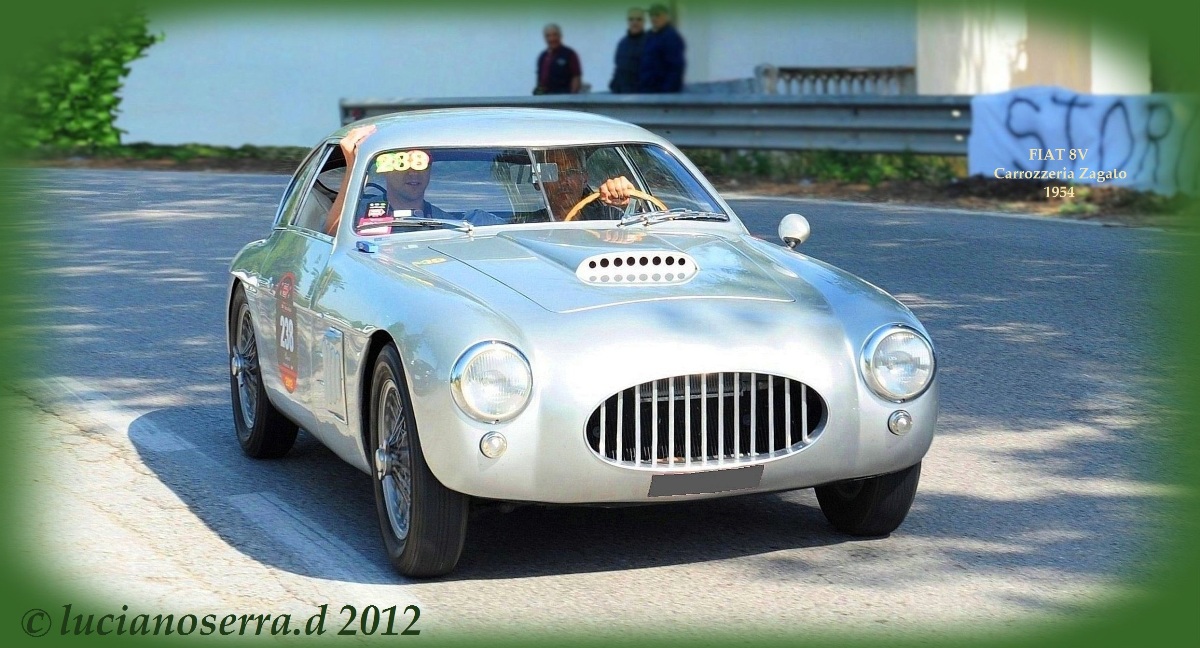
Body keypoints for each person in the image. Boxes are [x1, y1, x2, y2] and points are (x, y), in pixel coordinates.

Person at [539, 147, 639, 221]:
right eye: (553, 173)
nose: (564, 180)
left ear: (584, 179)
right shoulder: (529, 224)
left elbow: (637, 226)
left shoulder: (605, 217)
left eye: (571, 172)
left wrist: (630, 200)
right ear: (539, 182)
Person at [637, 4, 685, 93]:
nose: (654, 18)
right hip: (646, 91)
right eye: (651, 15)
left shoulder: (671, 37)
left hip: (661, 94)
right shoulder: (649, 36)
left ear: (666, 16)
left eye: (657, 15)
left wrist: (666, 94)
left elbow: (675, 68)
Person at [534, 24, 582, 95]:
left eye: (555, 35)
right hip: (545, 99)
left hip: (564, 99)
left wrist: (572, 98)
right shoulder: (542, 57)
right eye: (548, 36)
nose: (552, 39)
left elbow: (576, 77)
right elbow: (540, 81)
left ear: (560, 36)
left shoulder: (569, 54)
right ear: (545, 38)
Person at [608, 8, 647, 94]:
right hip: (623, 97)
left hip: (644, 97)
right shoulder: (622, 44)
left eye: (638, 19)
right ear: (627, 21)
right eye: (631, 19)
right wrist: (614, 87)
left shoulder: (651, 43)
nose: (635, 22)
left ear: (644, 22)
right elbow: (618, 69)